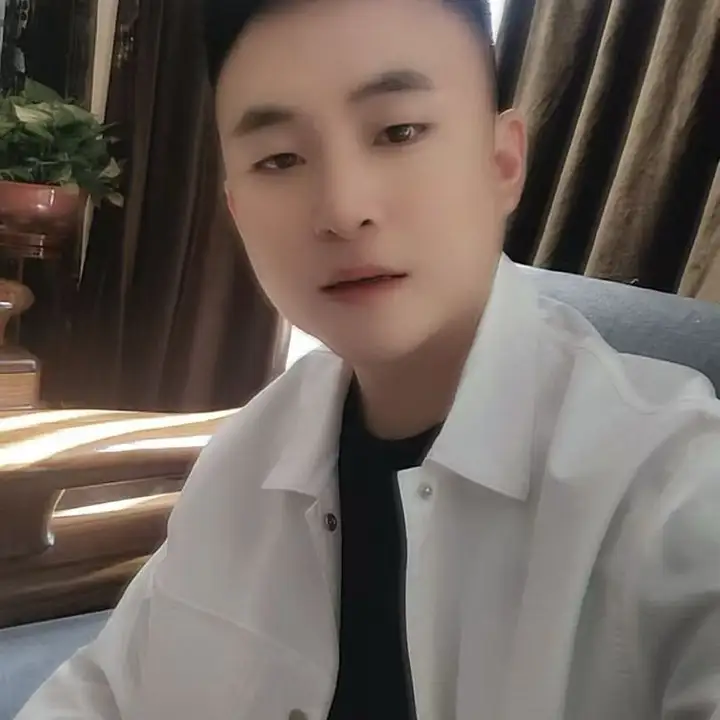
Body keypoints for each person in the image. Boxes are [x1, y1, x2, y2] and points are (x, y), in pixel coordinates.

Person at [17, 0, 720, 718]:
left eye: (398, 131)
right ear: (237, 209)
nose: (342, 208)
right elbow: (110, 691)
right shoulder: (249, 454)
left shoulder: (673, 487)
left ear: (503, 162)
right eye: (279, 159)